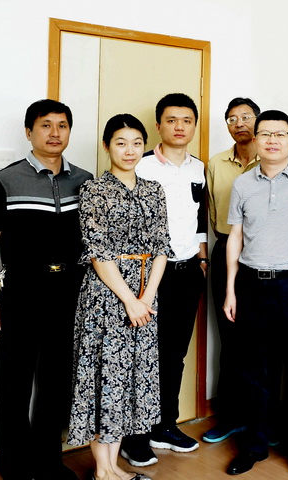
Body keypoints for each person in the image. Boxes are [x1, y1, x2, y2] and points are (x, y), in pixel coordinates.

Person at [0, 99, 93, 480]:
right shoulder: (4, 182)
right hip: (21, 292)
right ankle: (14, 468)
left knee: (57, 382)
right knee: (14, 384)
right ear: (29, 132)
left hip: (69, 292)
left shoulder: (85, 181)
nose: (54, 133)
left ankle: (48, 463)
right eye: (45, 125)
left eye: (62, 125)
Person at [67, 114, 172, 480]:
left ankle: (113, 467)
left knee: (129, 379)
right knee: (105, 377)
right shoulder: (94, 190)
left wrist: (147, 298)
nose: (130, 150)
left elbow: (162, 248)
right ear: (107, 146)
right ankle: (103, 470)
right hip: (106, 295)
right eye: (121, 143)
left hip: (146, 294)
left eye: (137, 143)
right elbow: (98, 253)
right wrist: (130, 299)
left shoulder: (154, 190)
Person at [223, 110, 288, 477]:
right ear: (256, 139)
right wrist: (230, 289)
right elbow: (235, 236)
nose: (273, 140)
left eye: (281, 134)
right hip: (250, 283)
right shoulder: (242, 184)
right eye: (266, 134)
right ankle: (254, 445)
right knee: (253, 370)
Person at [121, 93, 207, 466]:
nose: (179, 127)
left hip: (187, 272)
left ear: (194, 125)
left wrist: (202, 259)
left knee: (174, 355)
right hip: (147, 276)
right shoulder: (139, 166)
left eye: (186, 120)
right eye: (171, 120)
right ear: (158, 126)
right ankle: (133, 436)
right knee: (142, 354)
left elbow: (200, 217)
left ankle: (164, 425)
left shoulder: (198, 168)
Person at [203, 97, 260, 444]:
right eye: (232, 118)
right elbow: (211, 212)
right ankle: (230, 417)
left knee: (261, 341)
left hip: (262, 254)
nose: (239, 123)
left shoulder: (270, 158)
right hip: (226, 248)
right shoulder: (215, 163)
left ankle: (261, 421)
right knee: (230, 338)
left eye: (246, 117)